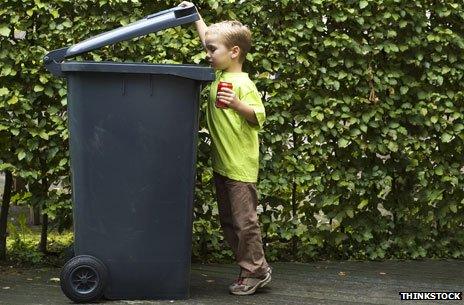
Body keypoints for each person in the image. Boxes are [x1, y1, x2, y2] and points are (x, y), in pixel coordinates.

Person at [179, 1, 271, 296]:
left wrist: (237, 105)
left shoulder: (243, 84)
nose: (207, 54)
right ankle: (250, 267)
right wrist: (196, 17)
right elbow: (209, 36)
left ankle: (256, 270)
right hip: (223, 165)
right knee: (230, 221)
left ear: (234, 53)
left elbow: (259, 115)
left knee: (245, 223)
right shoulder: (219, 74)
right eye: (207, 49)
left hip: (240, 168)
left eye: (212, 50)